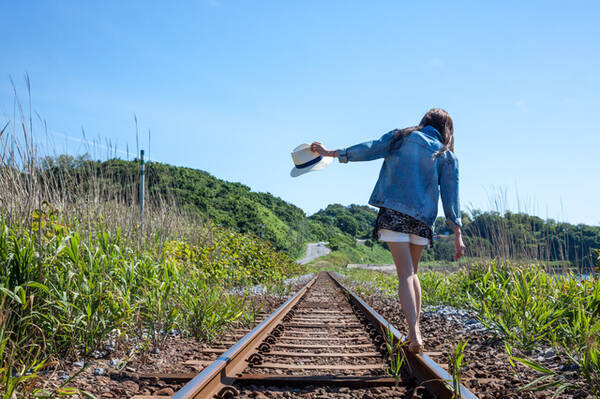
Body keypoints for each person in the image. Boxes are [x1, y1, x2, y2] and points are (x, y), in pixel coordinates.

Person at [310, 108, 465, 353]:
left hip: (394, 212)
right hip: (422, 219)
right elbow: (451, 196)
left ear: (424, 121)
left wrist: (332, 153)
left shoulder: (402, 136)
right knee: (413, 273)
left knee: (404, 273)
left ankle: (414, 335)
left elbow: (369, 149)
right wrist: (457, 232)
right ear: (446, 129)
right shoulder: (447, 155)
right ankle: (417, 331)